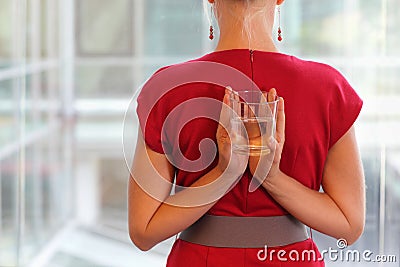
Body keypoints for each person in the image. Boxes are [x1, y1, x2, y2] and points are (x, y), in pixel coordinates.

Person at [128, 0, 365, 266]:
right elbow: (348, 224)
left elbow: (143, 231)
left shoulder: (167, 88)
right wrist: (271, 177)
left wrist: (223, 175)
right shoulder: (329, 88)